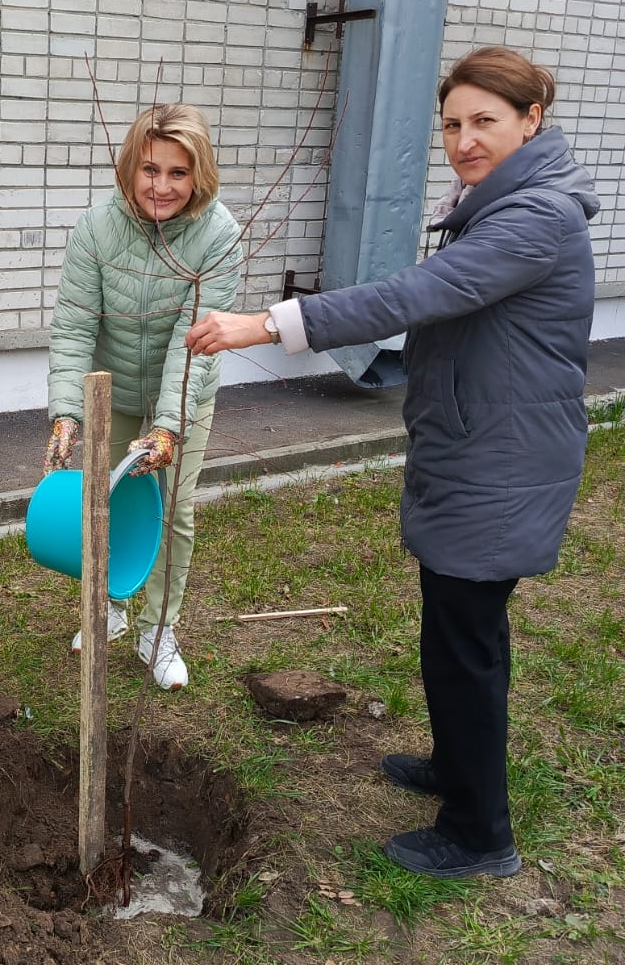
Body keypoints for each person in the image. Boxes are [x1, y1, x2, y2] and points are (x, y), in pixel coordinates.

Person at [187, 47, 598, 878]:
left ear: (532, 121)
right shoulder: (492, 206)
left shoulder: (535, 218)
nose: (464, 139)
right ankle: (455, 768)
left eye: (486, 121)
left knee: (467, 643)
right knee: (453, 632)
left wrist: (264, 324)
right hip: (477, 451)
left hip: (502, 463)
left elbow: (410, 297)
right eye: (452, 123)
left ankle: (482, 833)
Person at [44, 103, 242, 689]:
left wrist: (170, 425)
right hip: (113, 396)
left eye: (179, 173)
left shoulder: (220, 236)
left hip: (183, 395)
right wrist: (67, 413)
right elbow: (74, 326)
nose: (162, 186)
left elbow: (196, 342)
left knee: (172, 512)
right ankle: (110, 606)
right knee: (105, 504)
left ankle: (159, 627)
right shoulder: (96, 228)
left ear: (198, 175)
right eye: (150, 170)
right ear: (130, 167)